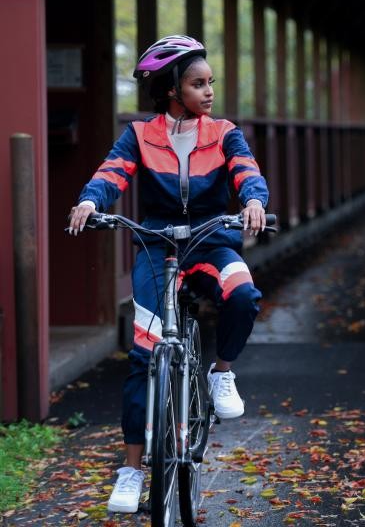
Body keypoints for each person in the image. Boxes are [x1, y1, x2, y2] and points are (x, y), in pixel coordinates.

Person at [67, 35, 269, 513]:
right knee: (143, 353)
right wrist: (91, 201)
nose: (209, 92)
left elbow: (245, 170)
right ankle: (132, 470)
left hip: (211, 240)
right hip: (157, 245)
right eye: (198, 84)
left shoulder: (223, 132)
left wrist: (255, 199)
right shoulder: (139, 135)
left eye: (210, 83)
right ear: (171, 88)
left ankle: (222, 373)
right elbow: (112, 172)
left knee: (243, 294)